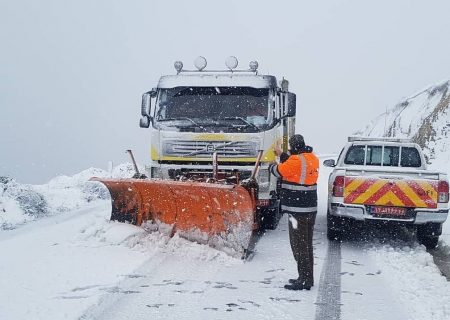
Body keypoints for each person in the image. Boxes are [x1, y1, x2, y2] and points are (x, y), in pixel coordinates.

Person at [269, 134, 319, 290]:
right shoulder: (311, 158)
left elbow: (278, 171)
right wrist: (282, 155)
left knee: (298, 245)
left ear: (294, 147)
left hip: (298, 212)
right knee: (306, 244)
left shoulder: (296, 161)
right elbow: (294, 166)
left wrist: (272, 163)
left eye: (290, 147)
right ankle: (306, 277)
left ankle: (304, 280)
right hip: (309, 209)